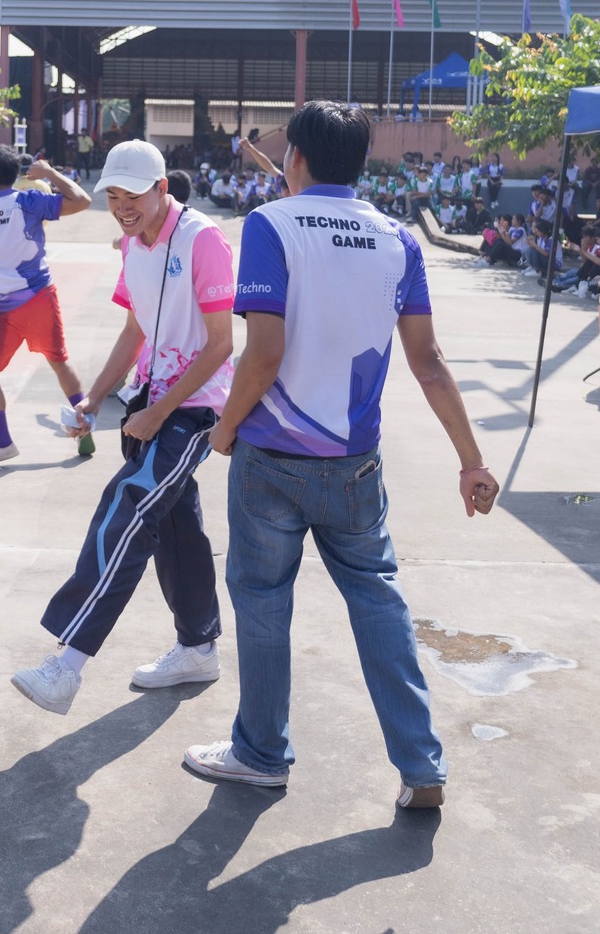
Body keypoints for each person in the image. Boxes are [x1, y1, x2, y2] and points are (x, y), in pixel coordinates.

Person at [187, 100, 497, 807]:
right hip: (356, 464)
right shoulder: (396, 239)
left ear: (294, 155)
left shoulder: (270, 226)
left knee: (264, 603)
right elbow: (430, 362)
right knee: (378, 599)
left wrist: (225, 427)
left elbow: (261, 355)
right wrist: (471, 460)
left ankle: (261, 752)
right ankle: (421, 766)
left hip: (271, 459)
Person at [10, 139, 234, 714]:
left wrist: (160, 412)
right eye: (112, 195)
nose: (121, 207)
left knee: (128, 508)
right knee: (175, 527)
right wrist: (94, 398)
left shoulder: (203, 240)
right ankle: (198, 644)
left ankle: (67, 664)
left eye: (131, 196)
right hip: (147, 401)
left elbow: (220, 345)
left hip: (192, 408)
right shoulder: (134, 245)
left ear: (161, 189)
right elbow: (135, 332)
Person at [0, 146, 93, 468]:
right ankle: (85, 429)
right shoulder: (27, 201)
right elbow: (82, 200)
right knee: (60, 363)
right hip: (39, 300)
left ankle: (3, 443)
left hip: (1, 310)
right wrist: (49, 173)